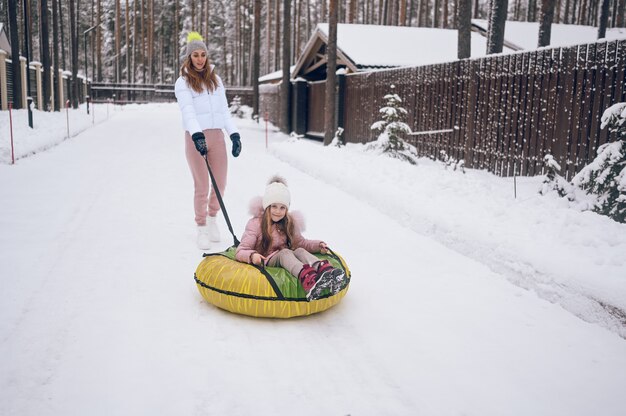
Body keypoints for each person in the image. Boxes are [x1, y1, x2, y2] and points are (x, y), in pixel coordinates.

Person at [174, 32, 242, 249]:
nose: (200, 59)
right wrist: (196, 134)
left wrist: (234, 134)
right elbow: (188, 111)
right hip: (196, 138)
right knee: (202, 185)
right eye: (195, 55)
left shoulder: (216, 80)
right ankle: (201, 227)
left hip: (217, 137)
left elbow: (224, 111)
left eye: (203, 54)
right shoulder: (183, 82)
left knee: (220, 184)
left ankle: (213, 219)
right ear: (189, 57)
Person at [235, 176, 346, 300]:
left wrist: (318, 245)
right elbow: (241, 250)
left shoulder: (288, 222)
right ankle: (308, 280)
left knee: (299, 251)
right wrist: (252, 256)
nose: (278, 211)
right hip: (266, 259)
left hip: (287, 257)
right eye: (274, 206)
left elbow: (301, 243)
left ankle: (325, 272)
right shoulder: (255, 224)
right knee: (285, 252)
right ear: (267, 206)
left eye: (282, 207)